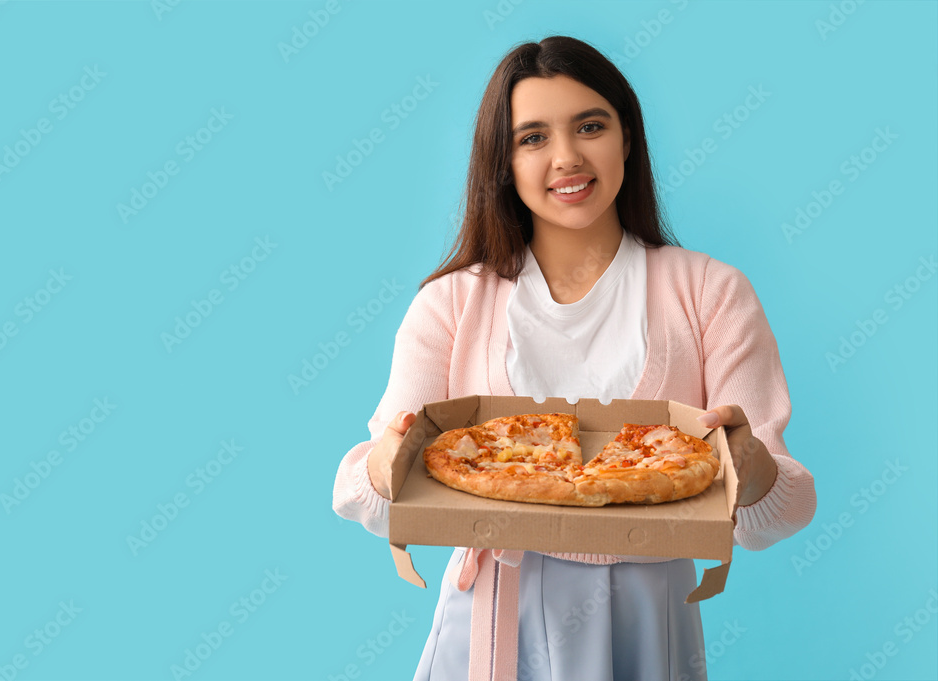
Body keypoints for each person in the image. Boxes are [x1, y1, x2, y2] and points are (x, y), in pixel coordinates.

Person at [332, 35, 816, 681]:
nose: (566, 157)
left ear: (628, 138)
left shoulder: (711, 291)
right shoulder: (450, 302)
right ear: (501, 161)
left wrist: (748, 467)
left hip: (648, 619)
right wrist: (387, 465)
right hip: (491, 616)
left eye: (590, 125)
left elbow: (778, 506)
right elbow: (360, 488)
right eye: (532, 137)